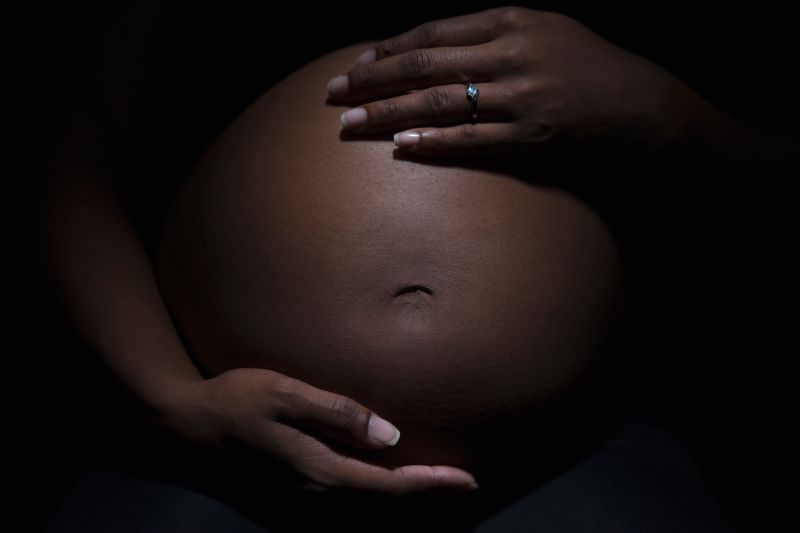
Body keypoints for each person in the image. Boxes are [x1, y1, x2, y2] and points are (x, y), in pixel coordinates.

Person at [38, 4, 793, 531]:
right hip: (219, 445)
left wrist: (659, 108)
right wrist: (173, 403)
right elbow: (64, 159)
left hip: (576, 443)